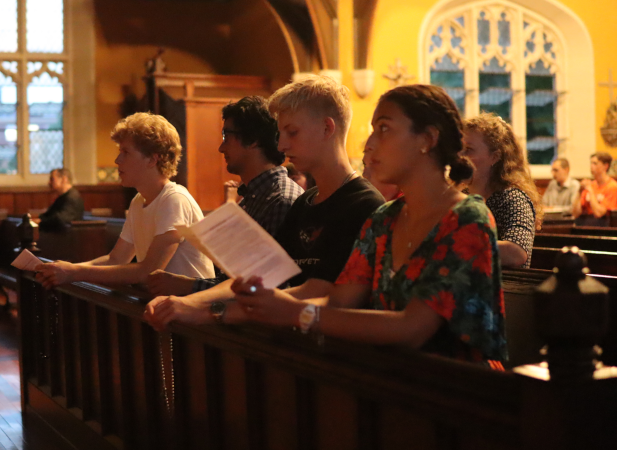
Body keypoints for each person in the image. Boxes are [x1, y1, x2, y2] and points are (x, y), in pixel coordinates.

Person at [229, 85, 506, 366]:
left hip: (458, 387)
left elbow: (413, 330)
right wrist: (263, 303)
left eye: (383, 128)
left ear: (427, 139)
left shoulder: (467, 217)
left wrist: (296, 313)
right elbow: (339, 303)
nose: (369, 143)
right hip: (391, 376)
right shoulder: (385, 219)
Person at [144, 74, 385, 328]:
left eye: (292, 132)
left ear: (327, 128)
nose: (281, 145)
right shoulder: (305, 203)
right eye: (280, 133)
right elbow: (264, 279)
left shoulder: (362, 204)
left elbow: (313, 291)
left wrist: (205, 308)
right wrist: (190, 301)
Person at [146, 96, 304, 296]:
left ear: (253, 140)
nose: (221, 148)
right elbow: (233, 280)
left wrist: (188, 286)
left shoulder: (280, 199)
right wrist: (187, 283)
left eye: (226, 137)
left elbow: (263, 288)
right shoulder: (253, 197)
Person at [35, 112, 214, 288]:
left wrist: (73, 273)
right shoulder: (139, 201)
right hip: (165, 305)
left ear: (152, 159)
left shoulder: (174, 199)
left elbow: (148, 271)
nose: (117, 159)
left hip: (195, 308)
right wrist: (68, 268)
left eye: (125, 152)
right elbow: (116, 259)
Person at [463, 113, 541, 269]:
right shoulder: (461, 196)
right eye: (460, 149)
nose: (460, 156)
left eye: (469, 150)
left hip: (506, 289)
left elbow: (517, 252)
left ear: (495, 157)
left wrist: (458, 246)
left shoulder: (512, 198)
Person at [571, 152, 617, 226]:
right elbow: (575, 213)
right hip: (587, 224)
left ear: (605, 166)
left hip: (605, 226)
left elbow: (599, 213)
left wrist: (591, 191)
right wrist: (579, 191)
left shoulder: (612, 186)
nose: (591, 166)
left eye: (595, 163)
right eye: (591, 163)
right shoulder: (591, 185)